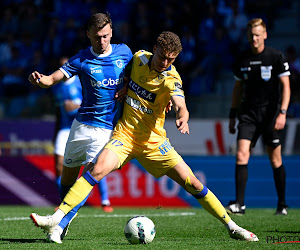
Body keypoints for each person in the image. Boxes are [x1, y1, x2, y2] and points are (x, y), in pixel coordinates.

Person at [30, 31, 258, 244]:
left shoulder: (171, 79)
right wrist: (126, 84)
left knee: (194, 184)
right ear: (154, 49)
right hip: (125, 137)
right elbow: (124, 74)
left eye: (171, 59)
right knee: (95, 171)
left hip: (154, 143)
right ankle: (56, 219)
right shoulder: (138, 58)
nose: (165, 63)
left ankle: (232, 226)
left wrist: (183, 116)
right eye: (162, 57)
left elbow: (181, 103)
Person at [28, 12, 132, 239]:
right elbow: (53, 78)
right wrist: (41, 80)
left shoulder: (125, 53)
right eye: (97, 37)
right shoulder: (82, 59)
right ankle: (63, 221)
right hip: (80, 126)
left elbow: (139, 78)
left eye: (105, 36)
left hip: (105, 130)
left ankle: (58, 224)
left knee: (88, 179)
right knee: (67, 180)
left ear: (111, 32)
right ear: (88, 35)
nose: (102, 41)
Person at [225, 18, 291, 216]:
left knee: (275, 159)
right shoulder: (242, 59)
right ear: (248, 36)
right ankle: (240, 204)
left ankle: (282, 204)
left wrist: (283, 112)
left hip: (270, 115)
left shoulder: (276, 57)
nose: (254, 38)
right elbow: (237, 89)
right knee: (241, 154)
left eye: (257, 34)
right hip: (248, 115)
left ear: (265, 35)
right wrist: (232, 115)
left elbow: (286, 87)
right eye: (251, 35)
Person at [52, 56, 114, 212]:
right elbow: (59, 111)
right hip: (65, 129)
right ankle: (65, 203)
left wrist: (75, 106)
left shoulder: (79, 83)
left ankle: (105, 201)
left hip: (85, 126)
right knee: (59, 166)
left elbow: (92, 101)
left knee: (94, 165)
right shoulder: (57, 88)